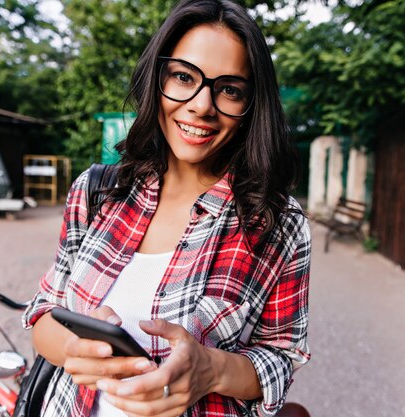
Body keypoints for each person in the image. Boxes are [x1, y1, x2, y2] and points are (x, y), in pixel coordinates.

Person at [23, 0, 311, 416]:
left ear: (252, 106)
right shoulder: (96, 191)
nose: (201, 105)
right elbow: (44, 312)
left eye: (230, 89)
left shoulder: (279, 224)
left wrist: (211, 370)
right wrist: (72, 349)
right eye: (183, 77)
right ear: (157, 78)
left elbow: (281, 359)